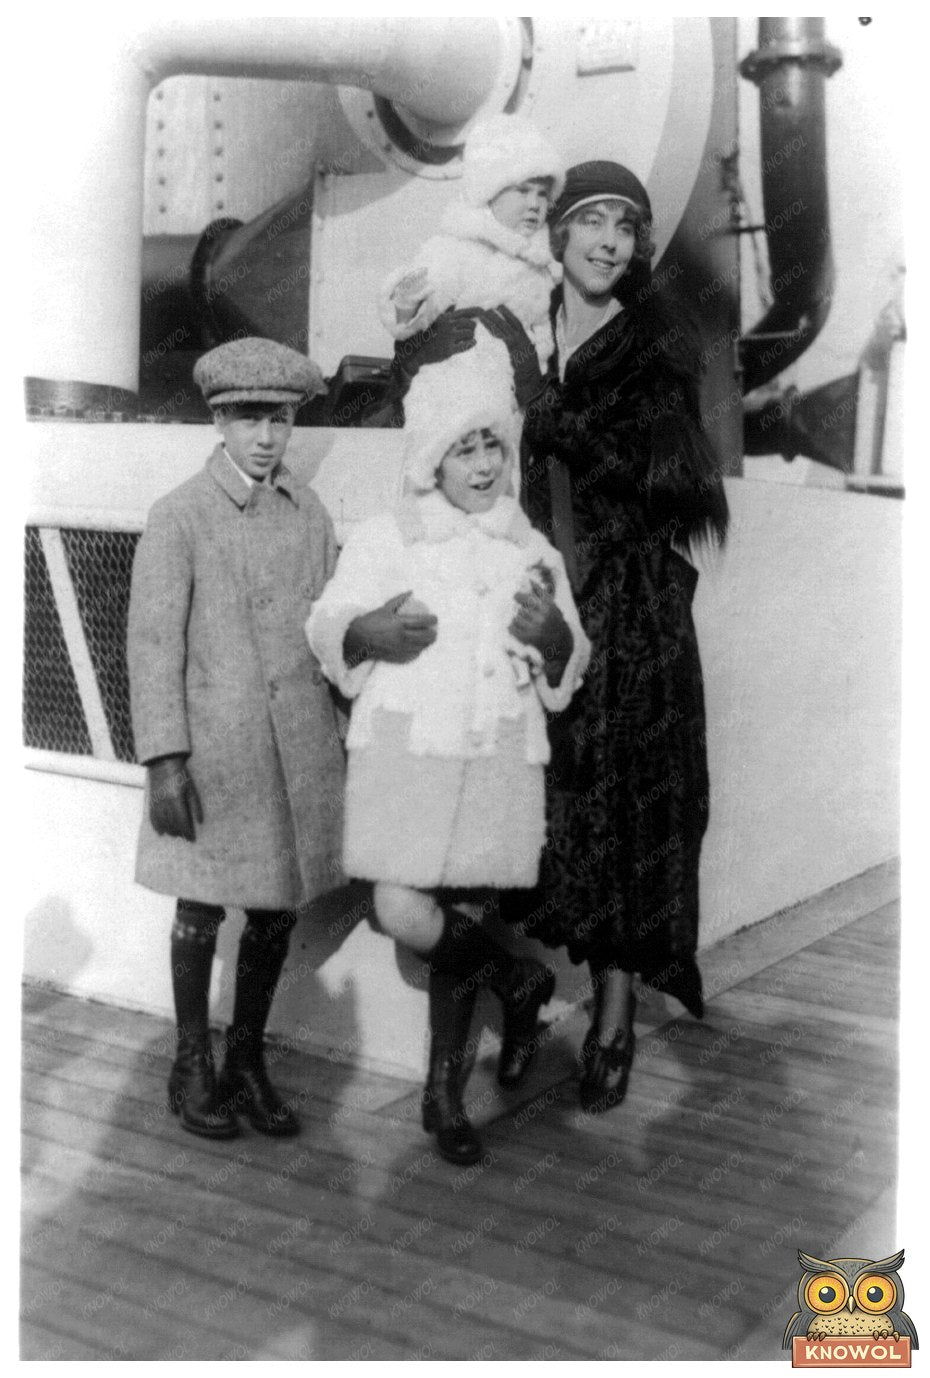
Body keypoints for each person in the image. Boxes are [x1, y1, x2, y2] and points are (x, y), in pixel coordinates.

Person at [306, 339, 589, 1165]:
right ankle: (518, 979)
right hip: (407, 753)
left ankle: (444, 1099)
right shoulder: (391, 536)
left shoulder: (530, 548)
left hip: (494, 754)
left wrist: (558, 639)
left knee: (458, 922)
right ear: (432, 456)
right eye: (462, 448)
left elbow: (572, 660)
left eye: (492, 445)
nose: (480, 465)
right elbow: (327, 622)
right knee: (399, 907)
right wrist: (365, 631)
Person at [510, 160, 730, 1114]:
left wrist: (571, 434)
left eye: (625, 228)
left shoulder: (655, 341)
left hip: (631, 605)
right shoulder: (521, 323)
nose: (607, 241)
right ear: (557, 233)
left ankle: (612, 1015)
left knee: (627, 803)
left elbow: (685, 492)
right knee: (547, 803)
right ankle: (515, 987)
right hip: (537, 593)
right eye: (591, 222)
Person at [127, 336, 344, 1141]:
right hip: (217, 752)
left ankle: (247, 1062)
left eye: (279, 419)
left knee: (276, 909)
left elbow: (328, 621)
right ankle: (191, 1064)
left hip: (291, 748)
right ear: (218, 421)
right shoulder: (179, 514)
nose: (264, 435)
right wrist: (165, 759)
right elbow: (152, 645)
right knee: (200, 901)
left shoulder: (307, 512)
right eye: (248, 417)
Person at [379, 113, 565, 375]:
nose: (535, 204)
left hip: (524, 390)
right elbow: (420, 309)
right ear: (490, 194)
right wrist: (408, 302)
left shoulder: (541, 260)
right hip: (467, 381)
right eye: (523, 191)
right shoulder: (460, 248)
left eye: (543, 194)